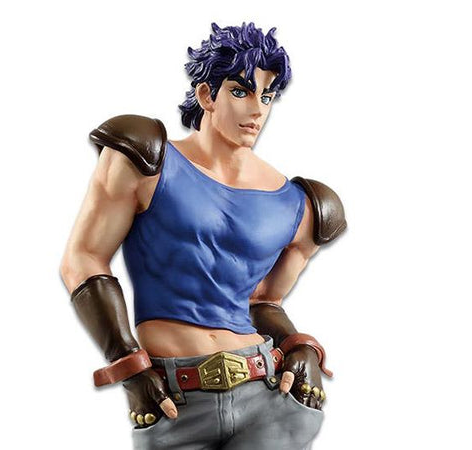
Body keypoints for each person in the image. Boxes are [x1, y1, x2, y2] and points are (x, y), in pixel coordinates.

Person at [60, 22, 346, 450]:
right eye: (241, 91)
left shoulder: (300, 205)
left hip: (266, 393)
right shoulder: (146, 159)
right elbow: (82, 259)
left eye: (267, 96)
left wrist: (298, 346)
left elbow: (264, 302)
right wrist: (129, 365)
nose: (257, 109)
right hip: (174, 399)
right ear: (207, 95)